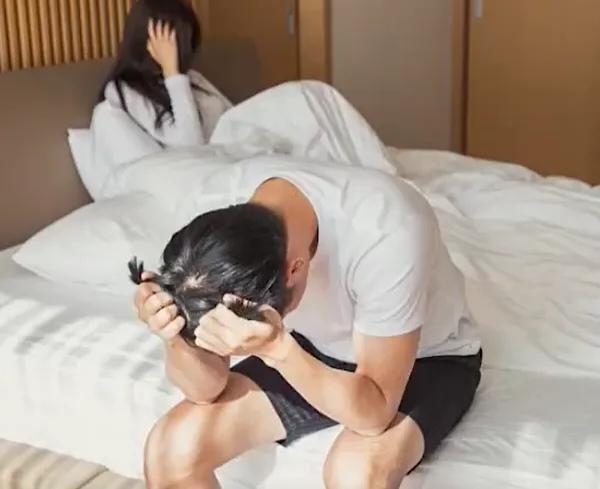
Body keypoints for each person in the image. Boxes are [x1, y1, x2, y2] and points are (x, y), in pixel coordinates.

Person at [133, 156, 481, 489]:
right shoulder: (214, 220)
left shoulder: (387, 229)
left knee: (355, 475)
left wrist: (278, 350)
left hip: (426, 358)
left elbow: (373, 415)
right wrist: (173, 334)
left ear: (295, 269)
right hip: (312, 346)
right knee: (171, 451)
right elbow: (205, 389)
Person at [97, 0, 231, 151]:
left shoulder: (193, 78)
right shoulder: (124, 90)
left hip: (237, 156)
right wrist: (172, 75)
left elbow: (235, 118)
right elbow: (191, 147)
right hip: (206, 164)